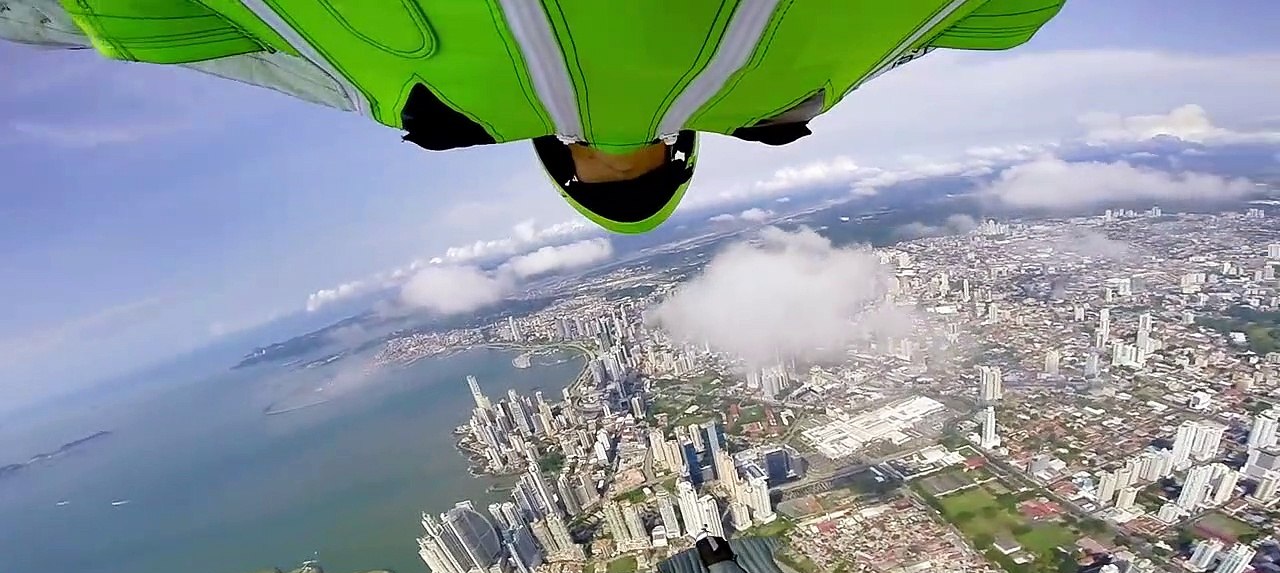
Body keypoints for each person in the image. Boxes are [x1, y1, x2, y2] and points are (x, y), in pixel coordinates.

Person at [1, 0, 1064, 233]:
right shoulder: (427, 104)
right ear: (557, 163)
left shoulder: (799, 92)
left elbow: (1006, 15)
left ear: (682, 157)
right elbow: (134, 22)